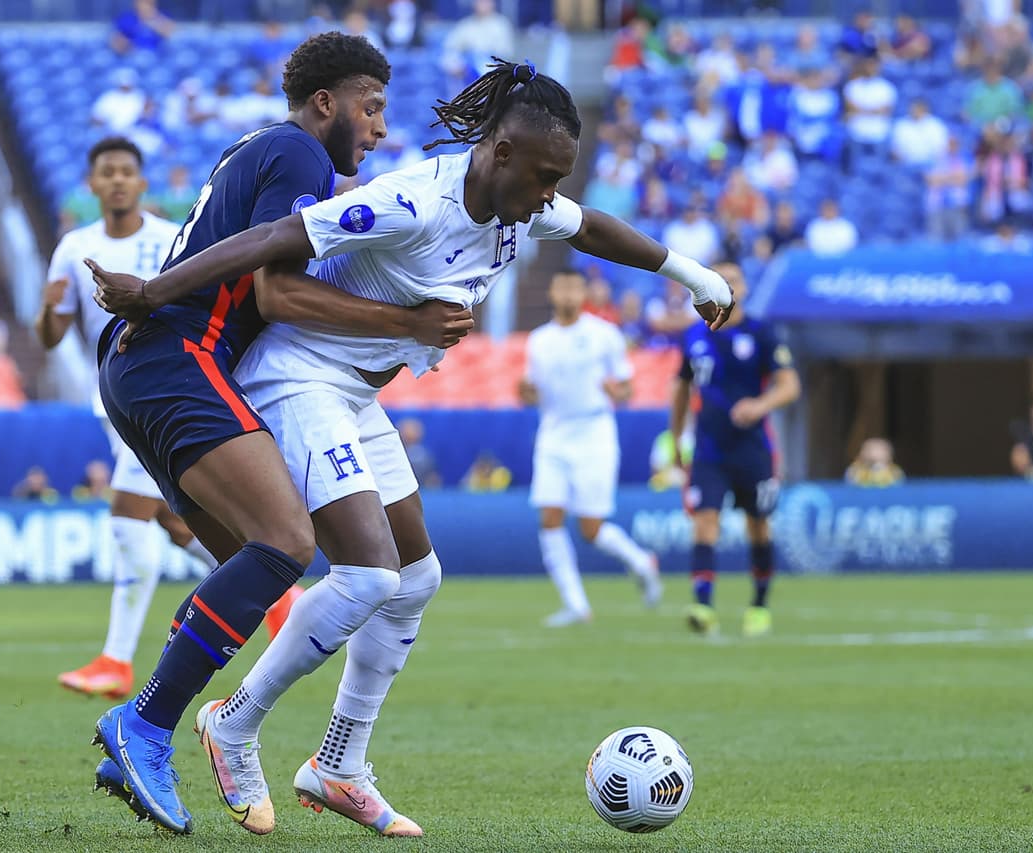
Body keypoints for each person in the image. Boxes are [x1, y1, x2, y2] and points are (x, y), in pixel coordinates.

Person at [90, 57, 732, 838]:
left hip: (354, 392)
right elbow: (277, 250)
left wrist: (692, 275)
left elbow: (591, 225)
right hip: (299, 377)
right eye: (541, 177)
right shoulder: (411, 201)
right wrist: (158, 293)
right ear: (499, 154)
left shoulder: (522, 205)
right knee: (361, 573)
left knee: (415, 576)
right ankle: (230, 722)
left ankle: (338, 763)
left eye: (556, 180)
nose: (548, 195)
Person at [81, 33, 473, 837]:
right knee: (288, 541)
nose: (380, 129)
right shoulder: (299, 154)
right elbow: (274, 284)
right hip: (179, 355)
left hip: (145, 363)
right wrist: (410, 322)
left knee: (251, 563)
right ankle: (149, 725)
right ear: (324, 103)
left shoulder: (260, 150)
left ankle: (212, 729)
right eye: (371, 108)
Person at [36, 136, 218, 700]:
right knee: (170, 521)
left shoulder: (170, 240)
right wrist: (48, 306)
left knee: (126, 514)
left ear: (142, 184)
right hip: (112, 398)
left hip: (162, 393)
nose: (116, 180)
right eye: (106, 173)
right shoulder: (74, 247)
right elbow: (50, 337)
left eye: (125, 172)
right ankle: (278, 591)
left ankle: (116, 659)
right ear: (91, 186)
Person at [519, 269, 662, 627]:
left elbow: (627, 388)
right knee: (549, 517)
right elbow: (529, 391)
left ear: (583, 292)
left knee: (591, 527)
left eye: (573, 287)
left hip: (594, 431)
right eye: (561, 286)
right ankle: (576, 605)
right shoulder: (539, 340)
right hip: (553, 433)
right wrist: (525, 392)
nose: (567, 293)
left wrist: (618, 393)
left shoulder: (604, 335)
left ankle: (642, 562)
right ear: (552, 292)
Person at [670, 260, 799, 638]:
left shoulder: (761, 334)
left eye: (734, 280)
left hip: (752, 448)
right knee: (705, 521)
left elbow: (790, 386)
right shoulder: (694, 336)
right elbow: (681, 389)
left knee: (758, 525)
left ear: (743, 288)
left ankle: (759, 606)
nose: (728, 285)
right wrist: (676, 437)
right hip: (709, 448)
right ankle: (703, 604)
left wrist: (759, 406)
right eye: (720, 279)